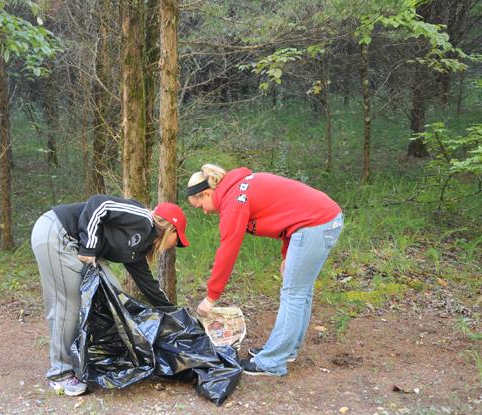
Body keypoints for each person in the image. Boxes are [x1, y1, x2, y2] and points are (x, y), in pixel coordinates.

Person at [186, 164, 343, 377]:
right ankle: (285, 350)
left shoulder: (234, 202)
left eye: (200, 205)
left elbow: (228, 251)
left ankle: (272, 361)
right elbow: (289, 211)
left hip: (316, 223)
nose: (204, 211)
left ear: (207, 193)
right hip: (320, 220)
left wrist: (211, 297)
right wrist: (287, 254)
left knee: (293, 294)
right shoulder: (236, 189)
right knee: (300, 292)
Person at [31, 194, 190, 396]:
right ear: (171, 229)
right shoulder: (142, 219)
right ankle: (60, 374)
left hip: (76, 243)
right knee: (68, 304)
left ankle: (90, 358)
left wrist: (175, 315)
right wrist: (89, 245)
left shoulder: (138, 250)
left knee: (115, 296)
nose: (175, 245)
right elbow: (99, 204)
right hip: (56, 232)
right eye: (177, 239)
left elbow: (149, 286)